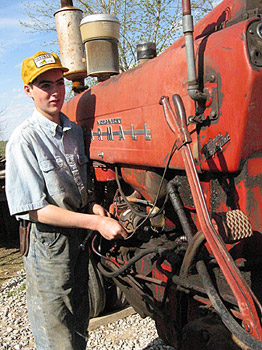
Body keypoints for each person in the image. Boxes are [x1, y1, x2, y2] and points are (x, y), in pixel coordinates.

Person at [5, 50, 127, 350]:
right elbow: (34, 209)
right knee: (57, 326)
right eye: (44, 85)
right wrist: (96, 222)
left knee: (79, 318)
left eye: (59, 82)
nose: (55, 91)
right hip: (48, 245)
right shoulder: (25, 139)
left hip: (79, 238)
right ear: (28, 91)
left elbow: (79, 183)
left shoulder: (73, 131)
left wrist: (93, 205)